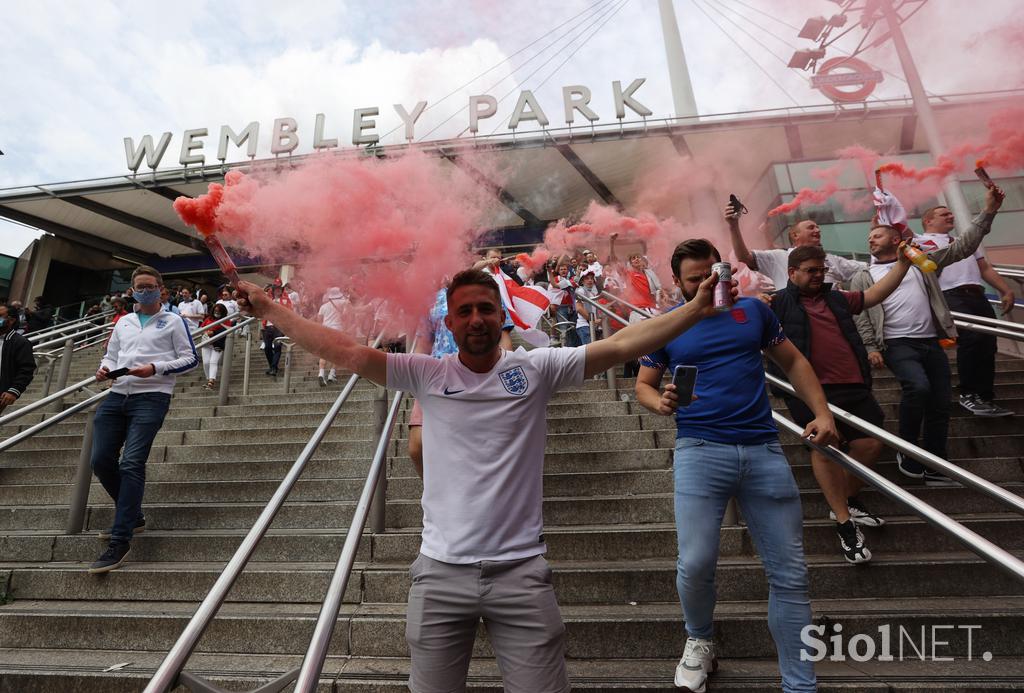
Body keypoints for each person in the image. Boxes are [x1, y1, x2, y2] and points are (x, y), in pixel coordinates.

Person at [236, 266, 737, 693]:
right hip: (438, 575)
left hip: (521, 574)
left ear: (502, 317)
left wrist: (694, 309)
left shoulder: (535, 369)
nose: (477, 319)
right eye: (465, 311)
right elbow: (345, 350)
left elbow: (622, 342)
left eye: (486, 309)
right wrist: (270, 310)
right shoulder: (427, 374)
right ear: (448, 322)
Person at [634, 239, 838, 693]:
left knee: (789, 572)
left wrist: (822, 414)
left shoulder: (755, 312)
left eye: (715, 271)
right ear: (679, 283)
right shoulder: (666, 325)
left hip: (764, 450)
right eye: (695, 278)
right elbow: (644, 385)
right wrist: (660, 402)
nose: (709, 282)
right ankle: (700, 639)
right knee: (696, 562)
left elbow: (795, 362)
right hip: (699, 450)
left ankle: (800, 685)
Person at [851, 184, 1004, 484]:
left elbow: (962, 247)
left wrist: (989, 211)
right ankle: (907, 450)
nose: (870, 239)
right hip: (896, 344)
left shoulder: (923, 264)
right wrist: (870, 346)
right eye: (869, 237)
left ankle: (936, 462)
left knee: (940, 399)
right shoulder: (863, 275)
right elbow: (860, 316)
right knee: (918, 388)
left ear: (896, 239)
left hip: (930, 342)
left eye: (877, 235)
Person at [771, 244, 912, 564]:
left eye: (821, 269)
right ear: (792, 273)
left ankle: (845, 501)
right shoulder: (777, 302)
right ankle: (844, 522)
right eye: (811, 270)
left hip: (853, 383)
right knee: (825, 446)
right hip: (807, 390)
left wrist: (902, 265)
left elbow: (873, 296)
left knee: (872, 443)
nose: (818, 276)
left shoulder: (837, 298)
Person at [89, 265, 199, 573]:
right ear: (132, 290)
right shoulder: (123, 321)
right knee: (100, 460)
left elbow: (190, 358)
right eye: (139, 286)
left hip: (151, 397)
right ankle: (133, 515)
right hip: (117, 394)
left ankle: (120, 539)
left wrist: (156, 368)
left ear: (161, 290)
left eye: (150, 285)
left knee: (132, 462)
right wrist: (104, 369)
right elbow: (112, 355)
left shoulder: (174, 320)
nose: (144, 290)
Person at [917, 205, 1015, 417]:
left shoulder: (964, 241)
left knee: (988, 343)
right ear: (928, 221)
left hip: (976, 294)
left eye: (951, 213)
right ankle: (968, 394)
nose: (951, 216)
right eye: (944, 214)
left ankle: (985, 397)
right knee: (971, 338)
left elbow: (984, 268)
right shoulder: (920, 241)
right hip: (950, 294)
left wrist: (1005, 289)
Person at [728, 211, 865, 290]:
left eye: (818, 227)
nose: (817, 230)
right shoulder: (779, 258)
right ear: (795, 235)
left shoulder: (832, 260)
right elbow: (743, 256)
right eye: (811, 228)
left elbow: (867, 269)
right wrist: (733, 225)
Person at [0, 304, 37, 414]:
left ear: (11, 320)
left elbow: (26, 369)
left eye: (0, 316)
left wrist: (14, 391)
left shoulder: (20, 342)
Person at [315, 287, 347, 386]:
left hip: (326, 331)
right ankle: (332, 374)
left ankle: (321, 373)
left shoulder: (323, 306)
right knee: (338, 353)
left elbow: (319, 320)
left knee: (324, 354)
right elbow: (347, 316)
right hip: (338, 331)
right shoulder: (343, 303)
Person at [262, 282, 293, 376]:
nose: (278, 290)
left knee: (277, 347)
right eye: (276, 288)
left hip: (279, 326)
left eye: (280, 288)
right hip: (268, 325)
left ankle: (273, 367)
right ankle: (272, 366)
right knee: (267, 348)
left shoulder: (285, 300)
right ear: (273, 290)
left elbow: (290, 311)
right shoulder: (268, 299)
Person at [199, 303, 232, 390]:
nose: (216, 312)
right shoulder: (208, 319)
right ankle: (208, 379)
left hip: (218, 344)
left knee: (213, 362)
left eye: (219, 311)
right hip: (206, 343)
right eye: (215, 311)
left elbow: (227, 330)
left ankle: (211, 381)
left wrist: (213, 333)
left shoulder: (226, 320)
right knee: (206, 362)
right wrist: (205, 332)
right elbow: (201, 329)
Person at [574, 271, 600, 345]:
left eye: (592, 278)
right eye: (587, 278)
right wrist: (593, 320)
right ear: (582, 281)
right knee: (590, 352)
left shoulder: (593, 293)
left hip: (591, 326)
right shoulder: (580, 290)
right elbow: (579, 308)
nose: (590, 280)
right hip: (584, 326)